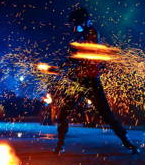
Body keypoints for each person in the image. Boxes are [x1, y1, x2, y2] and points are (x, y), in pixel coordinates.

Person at [53, 8, 139, 154]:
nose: (75, 26)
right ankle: (60, 144)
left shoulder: (91, 32)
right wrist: (60, 66)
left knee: (106, 114)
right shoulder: (80, 36)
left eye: (77, 23)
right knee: (63, 112)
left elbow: (86, 53)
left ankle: (127, 142)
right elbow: (74, 57)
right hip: (78, 82)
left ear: (83, 21)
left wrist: (74, 55)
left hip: (92, 82)